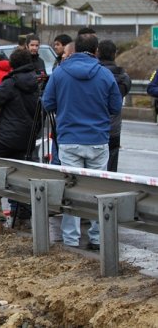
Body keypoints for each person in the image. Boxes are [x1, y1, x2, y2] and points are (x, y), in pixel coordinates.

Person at [42, 33, 122, 251]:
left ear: (75, 49)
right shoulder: (105, 75)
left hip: (69, 140)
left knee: (71, 191)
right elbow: (115, 107)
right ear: (96, 51)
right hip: (97, 139)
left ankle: (70, 239)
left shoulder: (60, 73)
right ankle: (96, 237)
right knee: (98, 191)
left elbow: (47, 103)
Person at [0, 48, 41, 226]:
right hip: (27, 139)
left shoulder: (11, 83)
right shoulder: (37, 82)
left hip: (6, 137)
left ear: (12, 64)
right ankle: (23, 215)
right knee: (21, 174)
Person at [97, 39, 131, 172]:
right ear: (115, 54)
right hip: (114, 128)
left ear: (98, 53)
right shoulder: (123, 77)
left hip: (96, 126)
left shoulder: (94, 75)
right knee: (111, 168)